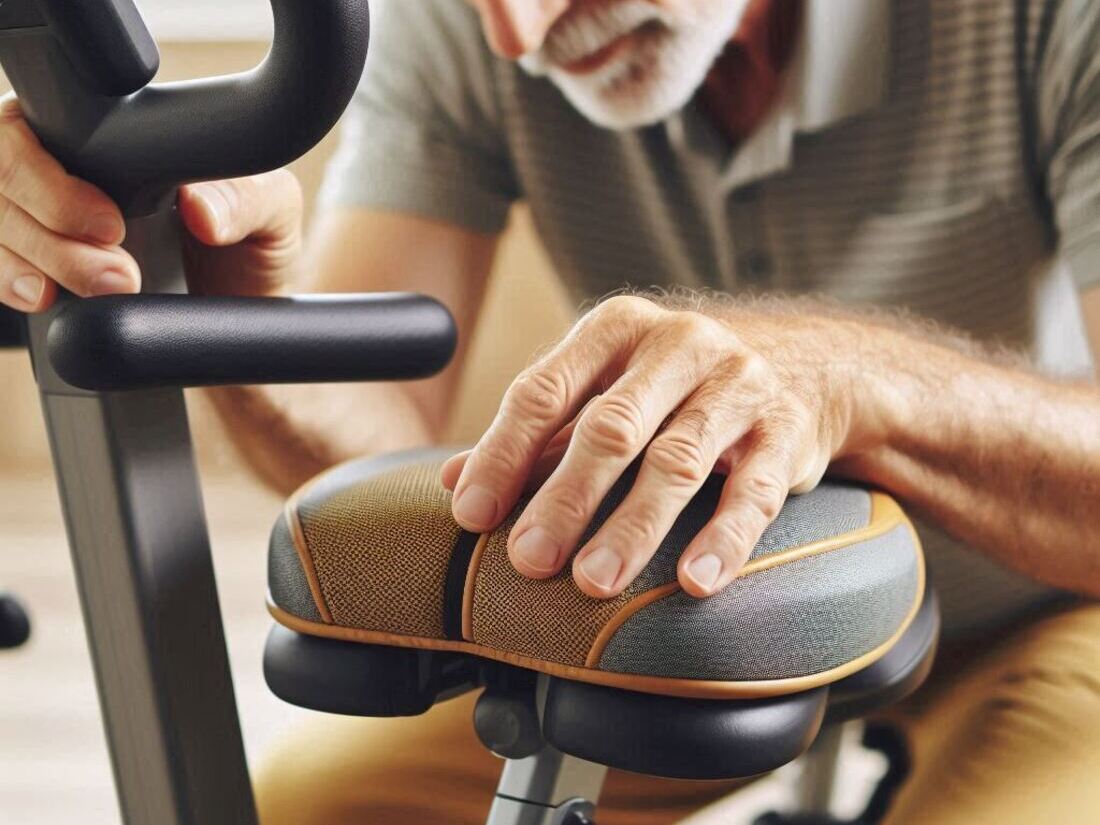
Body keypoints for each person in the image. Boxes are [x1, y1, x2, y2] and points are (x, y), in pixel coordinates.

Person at [2, 0, 1099, 821]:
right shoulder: (467, 30)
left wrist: (852, 381)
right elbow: (384, 436)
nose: (521, 36)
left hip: (1046, 597)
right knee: (298, 811)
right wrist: (234, 319)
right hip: (651, 620)